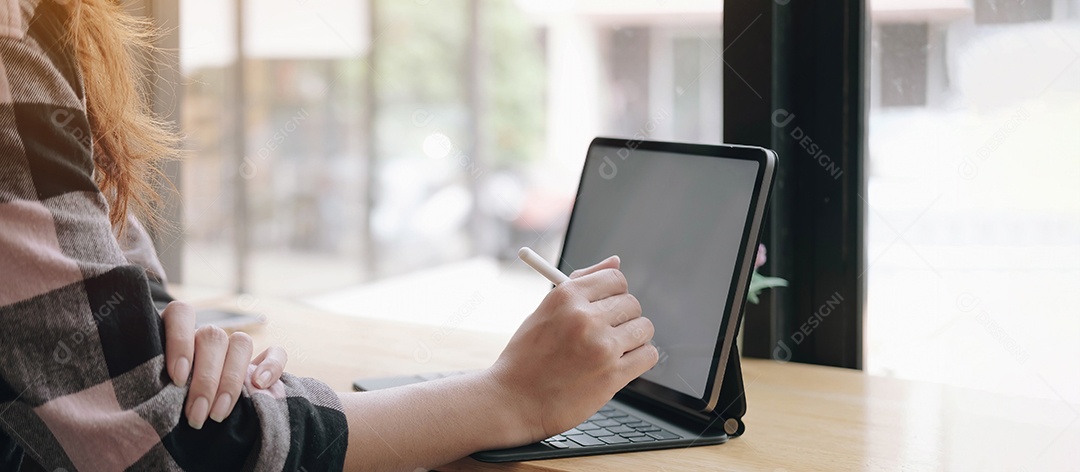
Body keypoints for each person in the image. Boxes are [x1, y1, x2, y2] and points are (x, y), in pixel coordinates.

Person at [0, 1, 658, 470]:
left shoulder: (51, 30)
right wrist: (509, 398)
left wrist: (174, 343)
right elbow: (168, 449)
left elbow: (119, 311)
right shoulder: (13, 36)